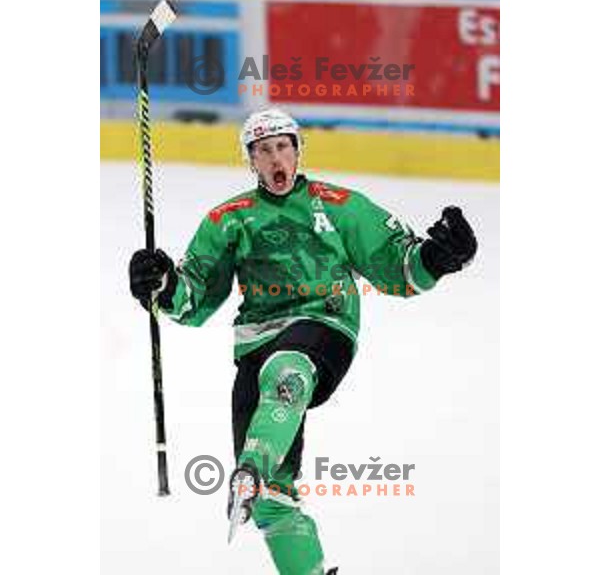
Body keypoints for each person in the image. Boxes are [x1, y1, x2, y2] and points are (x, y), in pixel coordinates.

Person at [128, 108, 477, 575]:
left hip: (324, 326)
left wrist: (436, 257)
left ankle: (251, 465)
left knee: (286, 371)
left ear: (297, 151)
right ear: (250, 160)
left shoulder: (338, 205)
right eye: (263, 150)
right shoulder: (228, 219)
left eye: (283, 147)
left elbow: (397, 266)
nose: (275, 157)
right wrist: (161, 284)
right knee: (272, 500)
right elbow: (193, 298)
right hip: (255, 343)